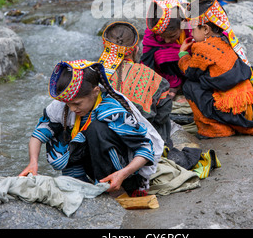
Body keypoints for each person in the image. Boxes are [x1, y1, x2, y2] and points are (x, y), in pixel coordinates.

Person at [19, 60, 164, 196]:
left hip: (123, 168)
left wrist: (124, 174)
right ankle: (80, 179)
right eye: (68, 104)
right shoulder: (65, 104)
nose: (72, 109)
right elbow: (39, 134)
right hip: (91, 157)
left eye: (77, 104)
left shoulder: (112, 110)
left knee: (96, 129)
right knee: (59, 130)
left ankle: (109, 186)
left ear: (95, 91)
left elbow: (145, 149)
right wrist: (33, 162)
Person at [178, 0, 253, 138]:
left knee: (190, 85)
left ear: (206, 29)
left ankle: (215, 129)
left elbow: (191, 71)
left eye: (193, 29)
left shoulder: (203, 48)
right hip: (249, 109)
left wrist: (183, 54)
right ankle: (223, 122)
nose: (191, 33)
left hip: (234, 113)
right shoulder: (228, 40)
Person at [97, 21, 173, 145]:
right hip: (141, 139)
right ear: (136, 50)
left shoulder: (94, 73)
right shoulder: (154, 77)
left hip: (104, 138)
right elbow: (162, 115)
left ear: (106, 49)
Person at [141, 0, 191, 99]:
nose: (167, 41)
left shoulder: (191, 26)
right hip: (166, 70)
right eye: (162, 37)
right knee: (163, 55)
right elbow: (146, 57)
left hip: (189, 64)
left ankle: (185, 83)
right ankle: (174, 83)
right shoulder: (153, 31)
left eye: (172, 36)